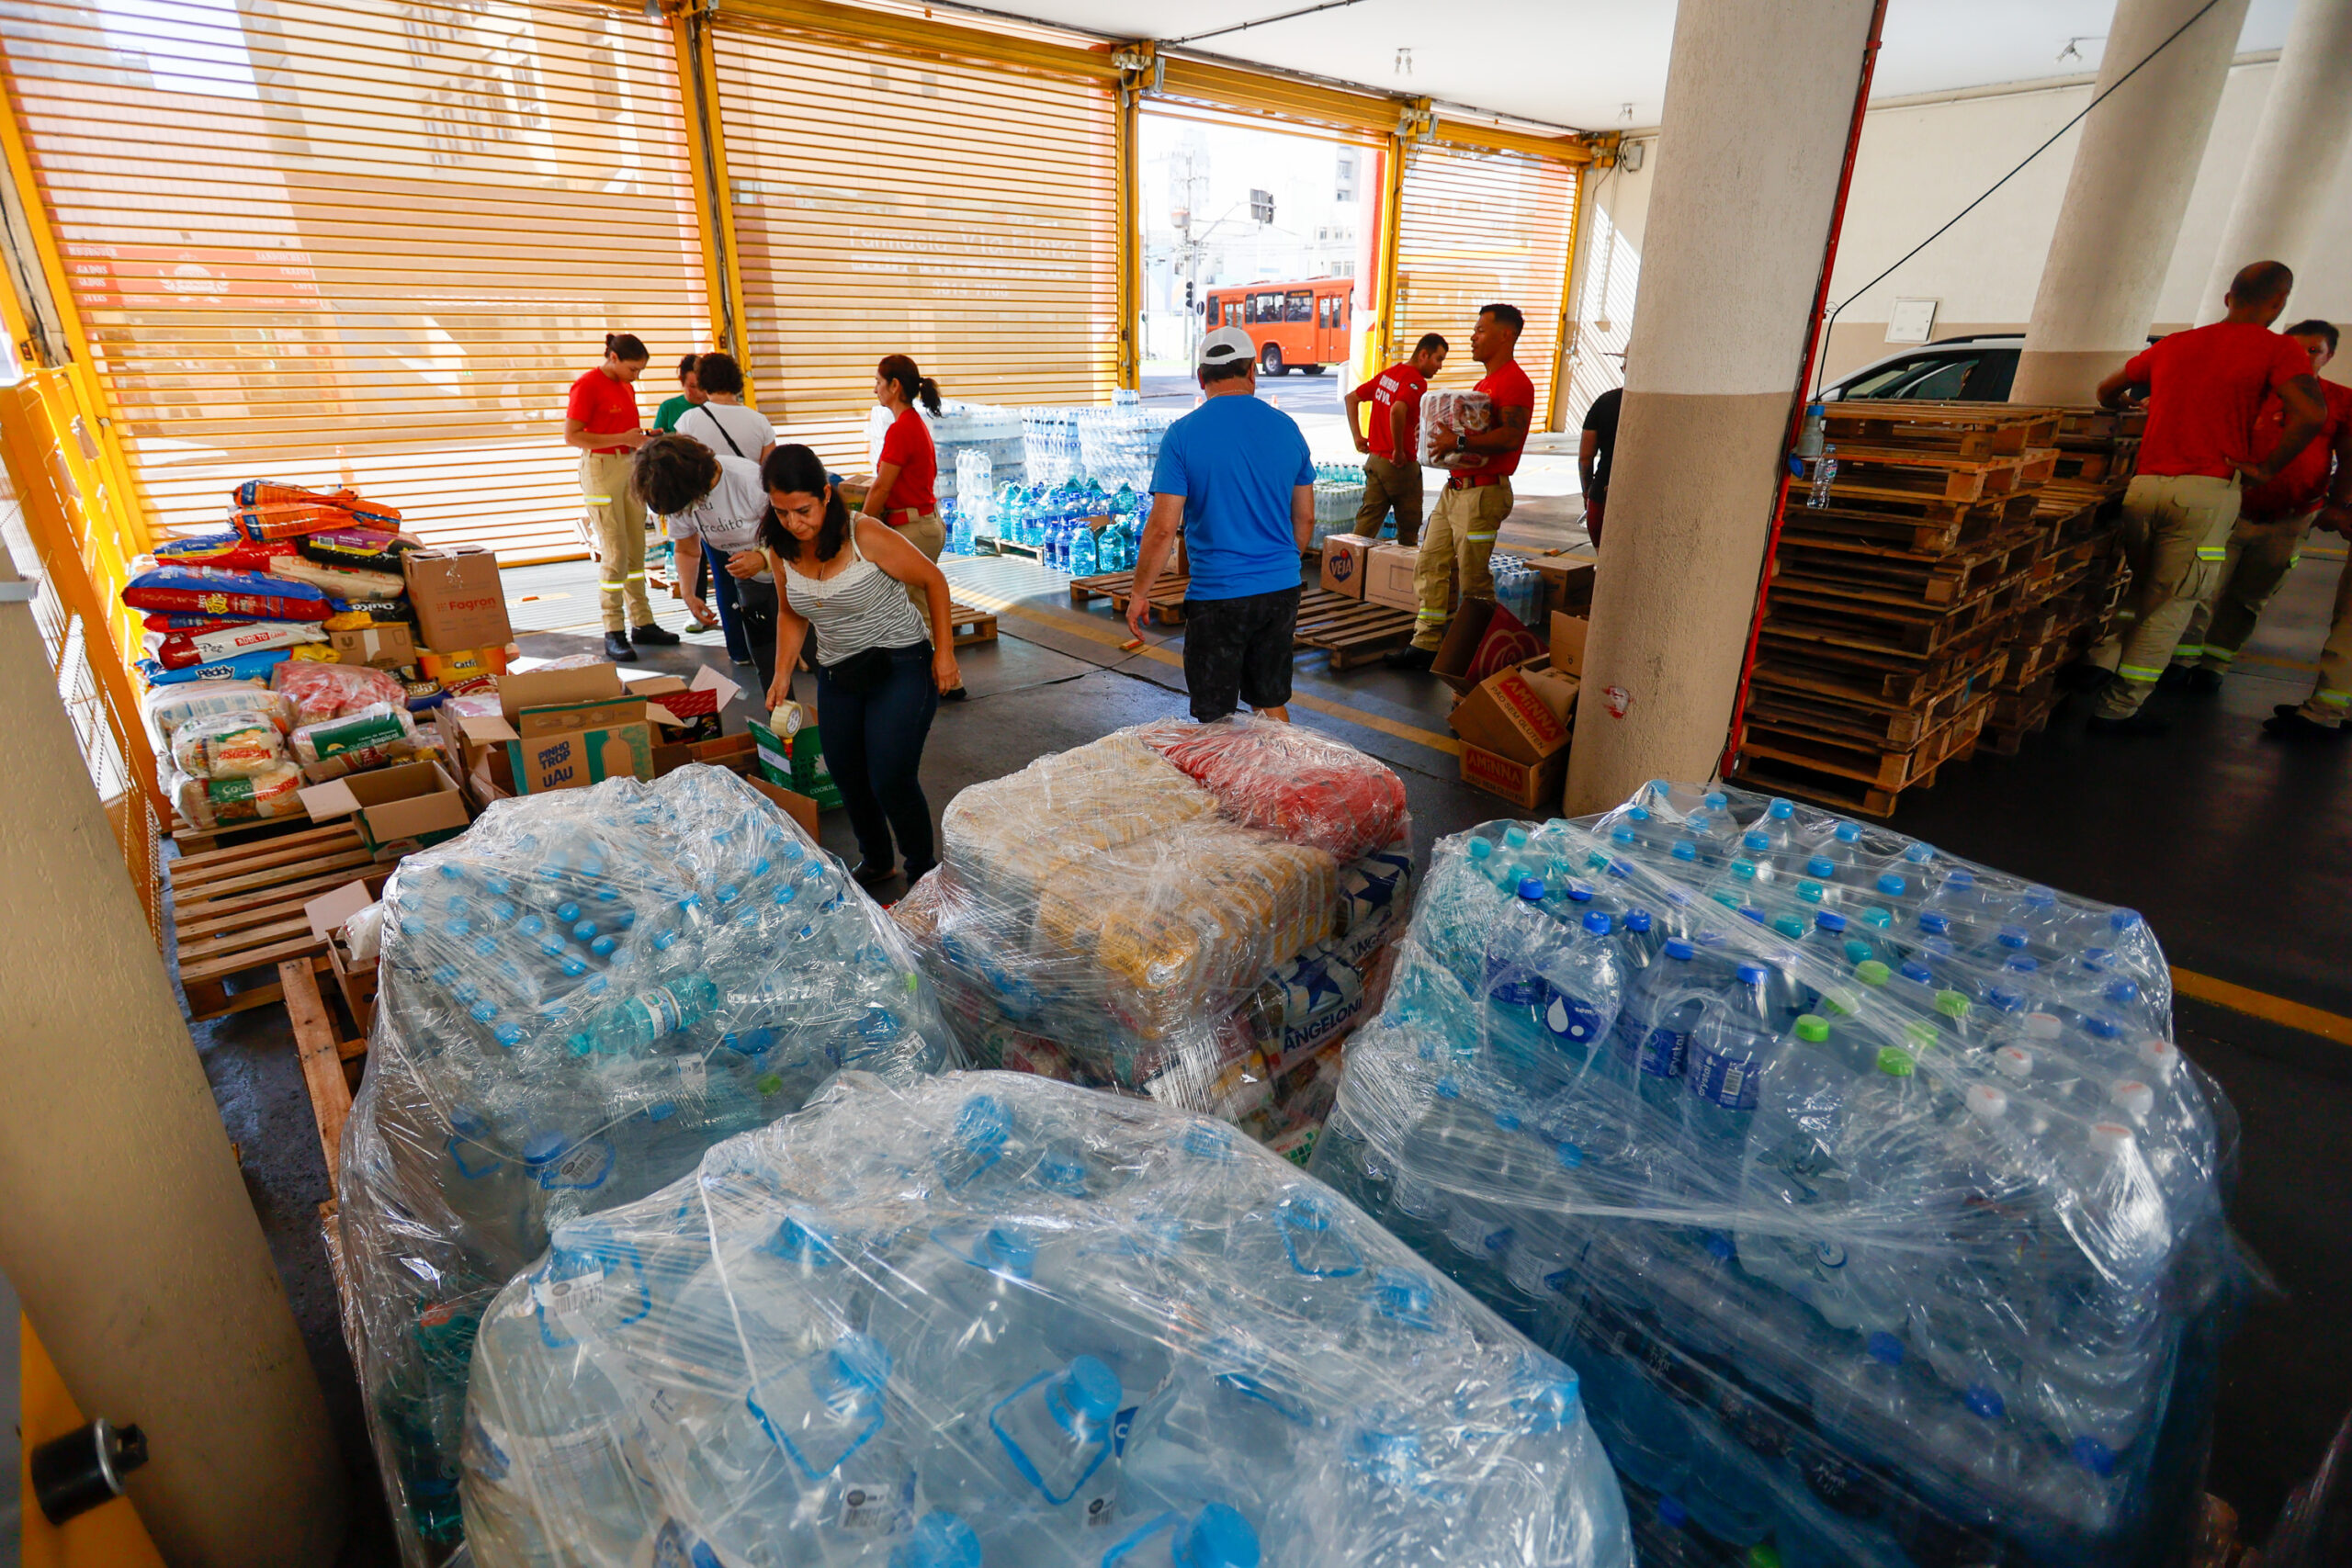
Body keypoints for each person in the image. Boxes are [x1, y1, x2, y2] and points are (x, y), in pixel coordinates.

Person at [2078, 262, 2328, 734]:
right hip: (2205, 492)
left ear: (2228, 297)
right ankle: (2119, 709)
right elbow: (2311, 416)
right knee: (2173, 603)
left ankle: (2101, 660)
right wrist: (2268, 468)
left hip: (2144, 486)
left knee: (2142, 584)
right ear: (2279, 303)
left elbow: (2107, 389)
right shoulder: (2276, 349)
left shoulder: (2176, 343)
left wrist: (2129, 407)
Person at [760, 445, 960, 888]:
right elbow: (791, 612)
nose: (794, 522)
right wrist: (781, 674)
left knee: (890, 773)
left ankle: (923, 872)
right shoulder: (780, 547)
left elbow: (934, 579)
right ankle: (876, 860)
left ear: (826, 496)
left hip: (900, 662)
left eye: (802, 510)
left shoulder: (863, 533)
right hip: (839, 671)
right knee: (847, 773)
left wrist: (944, 653)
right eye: (781, 512)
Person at [1130, 325, 1315, 723]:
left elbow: (1163, 528)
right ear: (1253, 371)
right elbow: (1306, 517)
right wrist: (1281, 563)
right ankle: (1286, 778)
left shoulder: (1182, 435)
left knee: (1217, 716)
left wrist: (1140, 592)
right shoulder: (1287, 428)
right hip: (1280, 589)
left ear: (1201, 378)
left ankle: (1229, 786)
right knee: (1268, 700)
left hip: (1218, 596)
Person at [2165, 320, 2352, 695]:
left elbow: (2347, 459)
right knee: (2204, 588)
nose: (2303, 356)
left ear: (2329, 356)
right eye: (2294, 348)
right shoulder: (2252, 391)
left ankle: (2215, 663)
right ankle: (2180, 661)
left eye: (2314, 350)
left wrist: (2338, 504)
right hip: (2233, 511)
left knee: (2250, 597)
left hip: (2291, 519)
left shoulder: (2339, 401)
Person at [1386, 303, 1535, 669]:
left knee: (1473, 579)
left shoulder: (1514, 382)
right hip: (1456, 490)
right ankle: (1425, 645)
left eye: (1480, 330)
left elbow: (1510, 437)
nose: (1472, 336)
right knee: (1431, 562)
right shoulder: (1484, 384)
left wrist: (1460, 444)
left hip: (1483, 495)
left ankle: (1479, 655)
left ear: (1505, 335)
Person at [630, 434, 780, 693]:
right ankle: (784, 727)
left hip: (787, 569)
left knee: (811, 654)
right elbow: (687, 549)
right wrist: (689, 593)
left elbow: (793, 536)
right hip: (747, 576)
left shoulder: (747, 480)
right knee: (766, 662)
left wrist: (762, 558)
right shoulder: (680, 494)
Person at [565, 332, 677, 662]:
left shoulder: (625, 385)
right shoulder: (587, 385)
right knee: (614, 553)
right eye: (633, 369)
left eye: (640, 371)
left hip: (629, 465)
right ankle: (613, 630)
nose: (636, 376)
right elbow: (572, 436)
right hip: (602, 470)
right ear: (613, 358)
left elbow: (624, 431)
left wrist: (641, 438)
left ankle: (642, 623)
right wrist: (622, 438)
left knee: (636, 550)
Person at [859, 354, 964, 699]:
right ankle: (944, 680)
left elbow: (882, 487)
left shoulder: (902, 428)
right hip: (922, 524)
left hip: (912, 528)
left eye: (878, 382)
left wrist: (860, 524)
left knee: (916, 609)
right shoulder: (912, 424)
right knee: (918, 603)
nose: (874, 389)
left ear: (894, 386)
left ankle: (941, 682)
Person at [1343, 333, 1447, 546]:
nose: (1440, 367)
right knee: (1409, 529)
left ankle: (1347, 570)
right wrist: (1398, 451)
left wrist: (1358, 437)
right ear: (1423, 355)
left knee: (1366, 526)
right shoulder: (1416, 381)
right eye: (1439, 359)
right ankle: (1401, 574)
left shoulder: (1389, 375)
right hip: (1399, 465)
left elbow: (1351, 398)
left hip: (1375, 462)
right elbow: (1398, 410)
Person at [674, 351, 777, 466]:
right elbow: (769, 471)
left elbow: (681, 467)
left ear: (702, 382)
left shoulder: (688, 420)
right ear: (737, 379)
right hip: (750, 484)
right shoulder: (760, 421)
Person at [1579, 385, 1623, 549]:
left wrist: (1587, 492)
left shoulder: (1605, 402)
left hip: (1602, 493)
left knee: (1604, 560)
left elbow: (1585, 457)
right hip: (1640, 496)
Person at [653, 355, 703, 433]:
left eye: (703, 385)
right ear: (682, 381)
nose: (700, 392)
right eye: (693, 386)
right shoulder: (668, 407)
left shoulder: (716, 404)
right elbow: (656, 441)